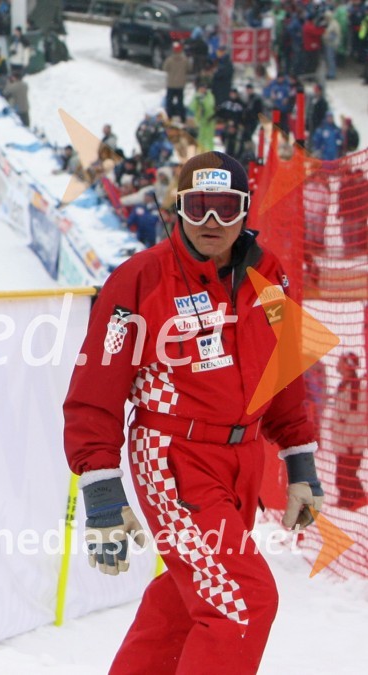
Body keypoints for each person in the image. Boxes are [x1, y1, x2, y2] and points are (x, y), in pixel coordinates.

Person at [64, 151, 324, 673]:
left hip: (242, 458)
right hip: (174, 456)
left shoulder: (269, 276)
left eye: (225, 208)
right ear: (178, 208)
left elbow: (285, 371)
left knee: (191, 595)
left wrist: (300, 464)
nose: (212, 222)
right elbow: (97, 388)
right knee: (242, 601)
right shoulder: (140, 280)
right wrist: (101, 490)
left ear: (245, 211)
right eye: (199, 207)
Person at [323, 352, 368, 510]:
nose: (338, 364)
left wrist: (349, 441)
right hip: (343, 441)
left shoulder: (357, 387)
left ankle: (358, 501)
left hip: (351, 442)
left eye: (341, 362)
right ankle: (348, 501)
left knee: (347, 475)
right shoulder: (344, 385)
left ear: (348, 366)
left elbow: (356, 416)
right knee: (343, 476)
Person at [162, 41, 189, 123]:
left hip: (171, 84)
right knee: (180, 102)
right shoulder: (185, 59)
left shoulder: (169, 60)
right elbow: (189, 69)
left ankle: (169, 117)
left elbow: (164, 68)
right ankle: (182, 117)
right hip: (181, 84)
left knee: (169, 102)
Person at [192, 81, 216, 151]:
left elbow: (210, 106)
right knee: (200, 138)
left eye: (204, 88)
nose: (203, 90)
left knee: (209, 138)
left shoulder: (209, 95)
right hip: (201, 120)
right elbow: (192, 107)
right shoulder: (197, 96)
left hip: (209, 120)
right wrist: (197, 99)